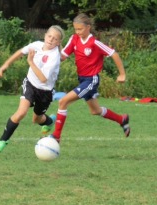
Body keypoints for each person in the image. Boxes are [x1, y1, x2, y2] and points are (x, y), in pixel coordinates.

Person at [50, 13, 130, 143]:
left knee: (63, 102)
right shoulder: (74, 39)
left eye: (80, 29)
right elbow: (62, 56)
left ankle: (56, 136)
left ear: (88, 27)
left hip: (91, 80)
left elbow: (114, 54)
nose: (78, 32)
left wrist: (122, 74)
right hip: (82, 79)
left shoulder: (95, 43)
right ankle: (122, 119)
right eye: (76, 29)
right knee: (95, 110)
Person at [0, 25, 65, 152]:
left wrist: (31, 62)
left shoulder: (54, 57)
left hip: (45, 91)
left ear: (58, 42)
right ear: (45, 35)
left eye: (55, 39)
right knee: (21, 112)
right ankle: (2, 141)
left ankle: (48, 122)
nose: (51, 40)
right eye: (49, 36)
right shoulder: (37, 45)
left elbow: (43, 79)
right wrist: (6, 64)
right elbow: (21, 52)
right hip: (30, 84)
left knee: (36, 119)